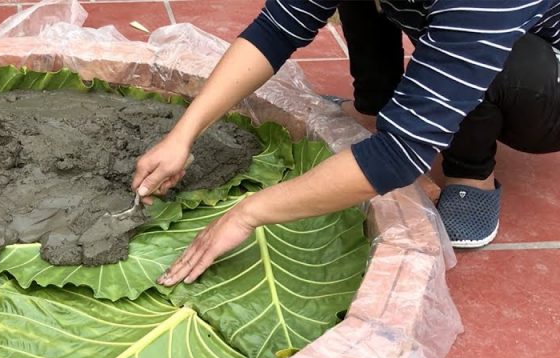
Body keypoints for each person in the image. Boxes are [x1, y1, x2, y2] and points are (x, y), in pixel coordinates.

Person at [134, 0, 560, 288]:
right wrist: (183, 134)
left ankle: (472, 173)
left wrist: (247, 214)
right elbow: (275, 30)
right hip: (489, 39)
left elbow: (398, 156)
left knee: (498, 64)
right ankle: (374, 108)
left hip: (544, 80)